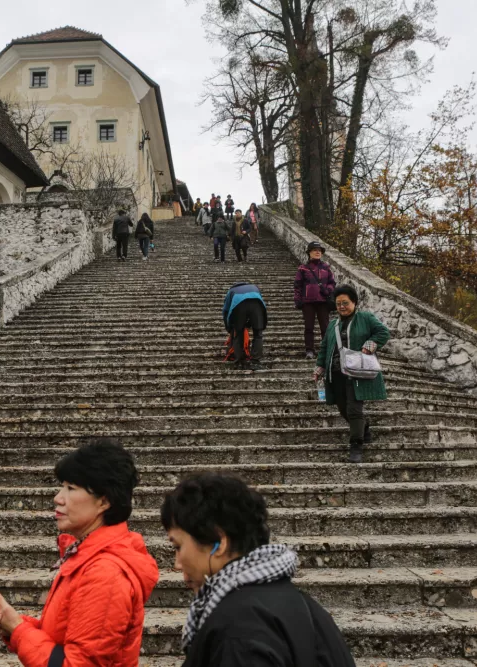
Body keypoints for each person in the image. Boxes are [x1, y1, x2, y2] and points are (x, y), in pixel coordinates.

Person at [0, 439, 159, 666]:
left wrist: (18, 629)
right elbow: (62, 640)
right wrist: (12, 624)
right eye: (62, 487)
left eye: (71, 488)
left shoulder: (105, 573)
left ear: (103, 501)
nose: (58, 498)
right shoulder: (86, 554)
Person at [161, 474, 357, 667]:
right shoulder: (300, 603)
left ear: (219, 543)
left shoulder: (238, 628)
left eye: (178, 546)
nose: (177, 563)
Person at [313, 284, 390, 463]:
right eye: (338, 303)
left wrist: (370, 344)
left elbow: (383, 332)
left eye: (345, 303)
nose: (341, 307)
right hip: (336, 372)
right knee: (342, 408)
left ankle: (356, 445)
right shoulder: (333, 324)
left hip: (357, 372)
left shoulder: (365, 318)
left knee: (354, 409)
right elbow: (325, 347)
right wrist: (319, 367)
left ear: (354, 302)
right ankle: (364, 427)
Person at [294, 241, 337, 359]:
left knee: (325, 327)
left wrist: (328, 290)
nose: (318, 252)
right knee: (309, 327)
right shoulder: (303, 268)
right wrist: (297, 300)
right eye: (315, 250)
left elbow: (332, 283)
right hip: (308, 302)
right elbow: (297, 285)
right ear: (309, 253)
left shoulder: (326, 267)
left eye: (319, 250)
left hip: (323, 301)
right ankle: (309, 350)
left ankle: (327, 349)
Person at [222, 282, 267, 371]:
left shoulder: (231, 290)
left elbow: (226, 310)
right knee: (258, 334)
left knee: (238, 334)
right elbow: (261, 303)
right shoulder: (254, 287)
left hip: (239, 305)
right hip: (256, 304)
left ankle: (239, 361)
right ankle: (255, 361)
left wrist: (229, 327)